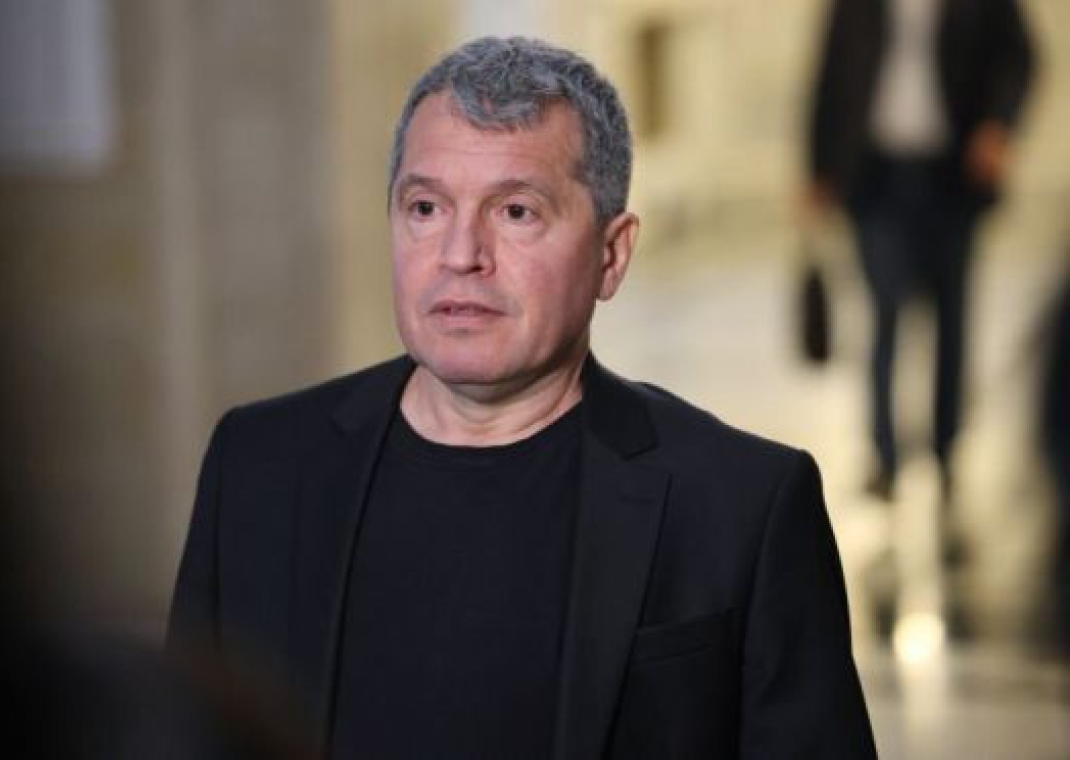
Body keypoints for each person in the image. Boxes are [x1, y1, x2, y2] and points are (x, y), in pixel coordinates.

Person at [169, 37, 876, 758]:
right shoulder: (259, 467)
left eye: (515, 211)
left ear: (611, 254)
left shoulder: (741, 505)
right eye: (425, 207)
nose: (460, 255)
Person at [806, 0, 1035, 501]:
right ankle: (884, 455)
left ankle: (946, 451)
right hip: (876, 179)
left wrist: (998, 126)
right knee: (885, 312)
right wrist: (817, 170)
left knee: (951, 321)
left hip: (951, 178)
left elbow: (1019, 58)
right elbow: (831, 72)